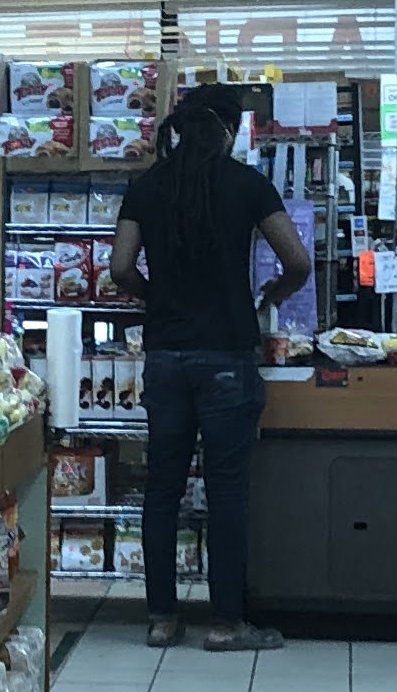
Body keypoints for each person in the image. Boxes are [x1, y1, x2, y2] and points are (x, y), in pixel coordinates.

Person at [106, 85, 309, 651]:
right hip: (227, 354)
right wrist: (271, 294)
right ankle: (225, 624)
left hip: (166, 356)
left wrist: (155, 297)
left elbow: (120, 267)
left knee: (161, 490)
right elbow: (297, 260)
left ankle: (161, 619)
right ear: (229, 131)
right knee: (226, 492)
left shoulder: (148, 186)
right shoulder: (247, 184)